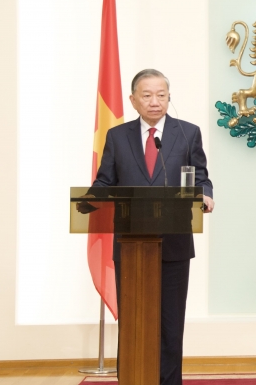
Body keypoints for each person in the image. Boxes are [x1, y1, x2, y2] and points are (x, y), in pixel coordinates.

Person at [92, 68, 214, 385]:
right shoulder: (117, 136)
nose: (155, 101)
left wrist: (205, 195)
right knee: (133, 321)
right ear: (133, 100)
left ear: (169, 97)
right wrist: (91, 199)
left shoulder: (188, 133)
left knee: (170, 324)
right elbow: (105, 181)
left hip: (174, 242)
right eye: (147, 95)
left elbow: (201, 177)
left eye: (161, 95)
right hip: (131, 245)